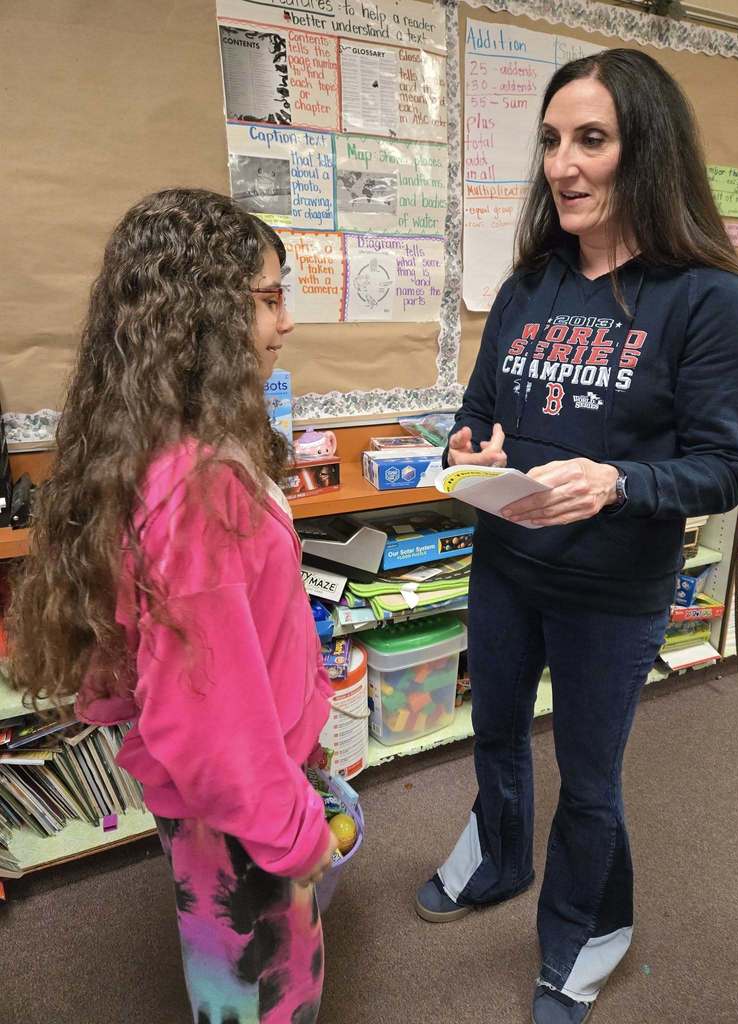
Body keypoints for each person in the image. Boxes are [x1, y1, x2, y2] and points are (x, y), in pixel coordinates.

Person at [415, 49, 738, 1023]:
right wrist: (468, 445)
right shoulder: (531, 286)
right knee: (492, 731)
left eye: (591, 140)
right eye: (551, 141)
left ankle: (586, 932)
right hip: (507, 564)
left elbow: (725, 466)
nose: (562, 164)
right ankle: (497, 854)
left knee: (590, 776)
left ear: (644, 152)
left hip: (612, 590)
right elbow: (473, 411)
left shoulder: (711, 301)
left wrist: (618, 479)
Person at [7, 188, 338, 1024]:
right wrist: (298, 834)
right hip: (241, 807)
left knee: (224, 957)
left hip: (218, 795)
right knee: (264, 987)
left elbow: (168, 657)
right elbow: (216, 728)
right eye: (268, 299)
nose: (285, 322)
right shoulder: (202, 493)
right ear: (206, 316)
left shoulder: (151, 443)